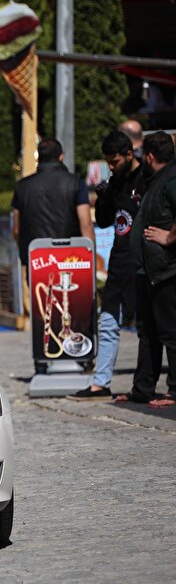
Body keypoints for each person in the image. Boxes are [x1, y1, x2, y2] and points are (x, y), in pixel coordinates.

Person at [70, 131, 145, 400]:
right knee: (108, 321)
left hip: (142, 262)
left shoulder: (146, 178)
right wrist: (103, 197)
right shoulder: (116, 181)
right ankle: (100, 383)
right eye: (108, 163)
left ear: (129, 154)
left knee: (147, 326)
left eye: (115, 162)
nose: (112, 167)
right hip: (119, 260)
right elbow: (103, 221)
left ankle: (146, 384)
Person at [117, 132, 176, 407]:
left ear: (150, 156)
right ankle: (143, 388)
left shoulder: (171, 179)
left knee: (170, 332)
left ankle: (174, 390)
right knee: (147, 332)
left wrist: (169, 237)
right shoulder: (155, 180)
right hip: (149, 271)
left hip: (166, 270)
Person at [11, 137, 95, 270]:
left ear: (39, 158)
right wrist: (90, 258)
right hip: (70, 258)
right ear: (61, 157)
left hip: (37, 260)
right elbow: (86, 225)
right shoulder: (75, 183)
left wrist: (26, 255)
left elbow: (16, 229)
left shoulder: (22, 187)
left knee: (40, 284)